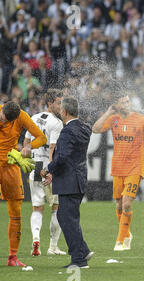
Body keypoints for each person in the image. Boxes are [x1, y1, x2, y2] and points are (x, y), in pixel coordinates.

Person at [92, 93, 144, 251]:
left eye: (128, 101)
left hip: (135, 167)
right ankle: (127, 234)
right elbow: (95, 129)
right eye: (123, 102)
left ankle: (120, 241)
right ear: (117, 106)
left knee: (126, 203)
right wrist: (107, 113)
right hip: (118, 168)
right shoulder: (113, 119)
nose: (127, 104)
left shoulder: (142, 119)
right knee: (119, 205)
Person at [41, 97, 93, 268]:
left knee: (66, 218)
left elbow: (62, 156)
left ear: (64, 112)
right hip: (79, 179)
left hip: (69, 181)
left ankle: (79, 258)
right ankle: (82, 250)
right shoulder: (84, 128)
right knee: (70, 217)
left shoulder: (68, 131)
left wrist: (49, 169)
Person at [0, 101, 47, 267]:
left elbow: (42, 138)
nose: (2, 122)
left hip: (10, 166)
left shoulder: (22, 117)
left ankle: (13, 257)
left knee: (16, 211)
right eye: (1, 118)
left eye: (5, 121)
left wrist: (28, 147)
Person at [24, 89, 66, 256]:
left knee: (37, 208)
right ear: (50, 103)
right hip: (47, 168)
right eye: (58, 102)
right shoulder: (56, 123)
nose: (60, 106)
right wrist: (51, 171)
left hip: (35, 166)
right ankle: (53, 247)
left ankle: (36, 240)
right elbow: (53, 148)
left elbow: (26, 142)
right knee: (56, 208)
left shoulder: (33, 118)